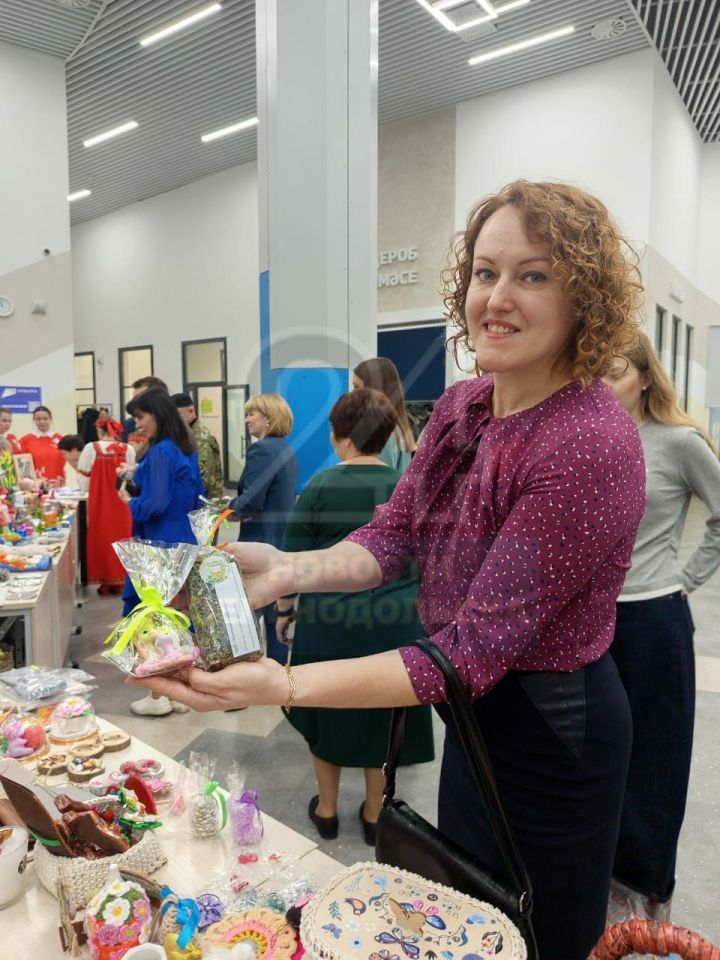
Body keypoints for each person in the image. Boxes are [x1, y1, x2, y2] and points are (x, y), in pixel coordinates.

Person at [129, 180, 646, 960]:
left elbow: (468, 652)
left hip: (549, 731)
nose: (497, 298)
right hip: (472, 716)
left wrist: (288, 684)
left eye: (533, 275)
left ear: (586, 297)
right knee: (467, 910)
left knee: (533, 931)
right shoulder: (468, 407)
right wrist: (286, 569)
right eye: (484, 271)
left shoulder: (586, 444)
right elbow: (395, 535)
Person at [279, 388, 434, 844]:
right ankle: (373, 813)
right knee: (384, 718)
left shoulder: (321, 486)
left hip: (330, 620)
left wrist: (285, 616)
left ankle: (326, 810)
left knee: (323, 709)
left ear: (337, 434)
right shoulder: (409, 488)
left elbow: (292, 559)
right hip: (398, 621)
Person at [603, 333, 720, 923]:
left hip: (654, 622)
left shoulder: (677, 443)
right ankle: (606, 880)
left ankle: (652, 890)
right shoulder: (587, 443)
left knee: (656, 762)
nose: (603, 383)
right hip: (594, 623)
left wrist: (686, 579)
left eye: (616, 372)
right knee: (597, 757)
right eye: (594, 372)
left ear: (646, 377)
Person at [119, 387, 204, 717]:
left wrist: (131, 501)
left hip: (158, 543)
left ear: (158, 414)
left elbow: (153, 504)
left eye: (141, 416)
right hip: (183, 539)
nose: (138, 424)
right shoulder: (185, 448)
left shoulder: (160, 453)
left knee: (154, 620)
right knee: (180, 618)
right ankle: (182, 692)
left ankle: (158, 697)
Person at [229, 393, 298, 665]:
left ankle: (238, 681)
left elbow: (252, 501)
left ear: (269, 418)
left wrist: (226, 511)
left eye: (252, 414)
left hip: (258, 539)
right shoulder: (284, 447)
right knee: (274, 613)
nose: (247, 420)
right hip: (280, 537)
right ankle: (278, 673)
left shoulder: (262, 449)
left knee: (243, 618)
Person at [76, 418, 135, 596]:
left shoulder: (91, 448)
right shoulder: (128, 448)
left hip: (100, 499)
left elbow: (84, 476)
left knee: (101, 534)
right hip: (122, 500)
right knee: (123, 536)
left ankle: (104, 580)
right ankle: (122, 579)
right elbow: (131, 475)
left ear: (99, 431)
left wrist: (85, 491)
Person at [352, 358, 417, 471]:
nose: (352, 393)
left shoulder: (379, 433)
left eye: (357, 387)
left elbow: (377, 481)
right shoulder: (397, 429)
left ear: (375, 390)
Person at [172, 393, 223, 499]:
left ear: (191, 411)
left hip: (204, 504)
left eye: (176, 414)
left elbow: (203, 479)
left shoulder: (199, 438)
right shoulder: (187, 434)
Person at [20, 406, 65, 482]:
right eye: (38, 419)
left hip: (58, 483)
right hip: (35, 485)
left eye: (45, 419)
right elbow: (21, 465)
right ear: (34, 420)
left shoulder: (61, 439)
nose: (42, 422)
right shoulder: (25, 440)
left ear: (50, 419)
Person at [121, 376, 169, 442]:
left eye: (141, 398)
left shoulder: (177, 434)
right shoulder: (129, 425)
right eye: (134, 399)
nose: (136, 403)